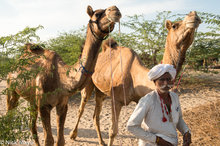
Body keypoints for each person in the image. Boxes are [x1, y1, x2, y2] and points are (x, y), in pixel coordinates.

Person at [127, 64, 191, 146]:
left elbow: (179, 119)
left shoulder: (174, 97)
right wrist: (157, 140)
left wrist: (186, 132)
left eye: (168, 79)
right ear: (155, 82)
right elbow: (131, 126)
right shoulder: (147, 100)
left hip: (172, 142)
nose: (166, 83)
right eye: (162, 80)